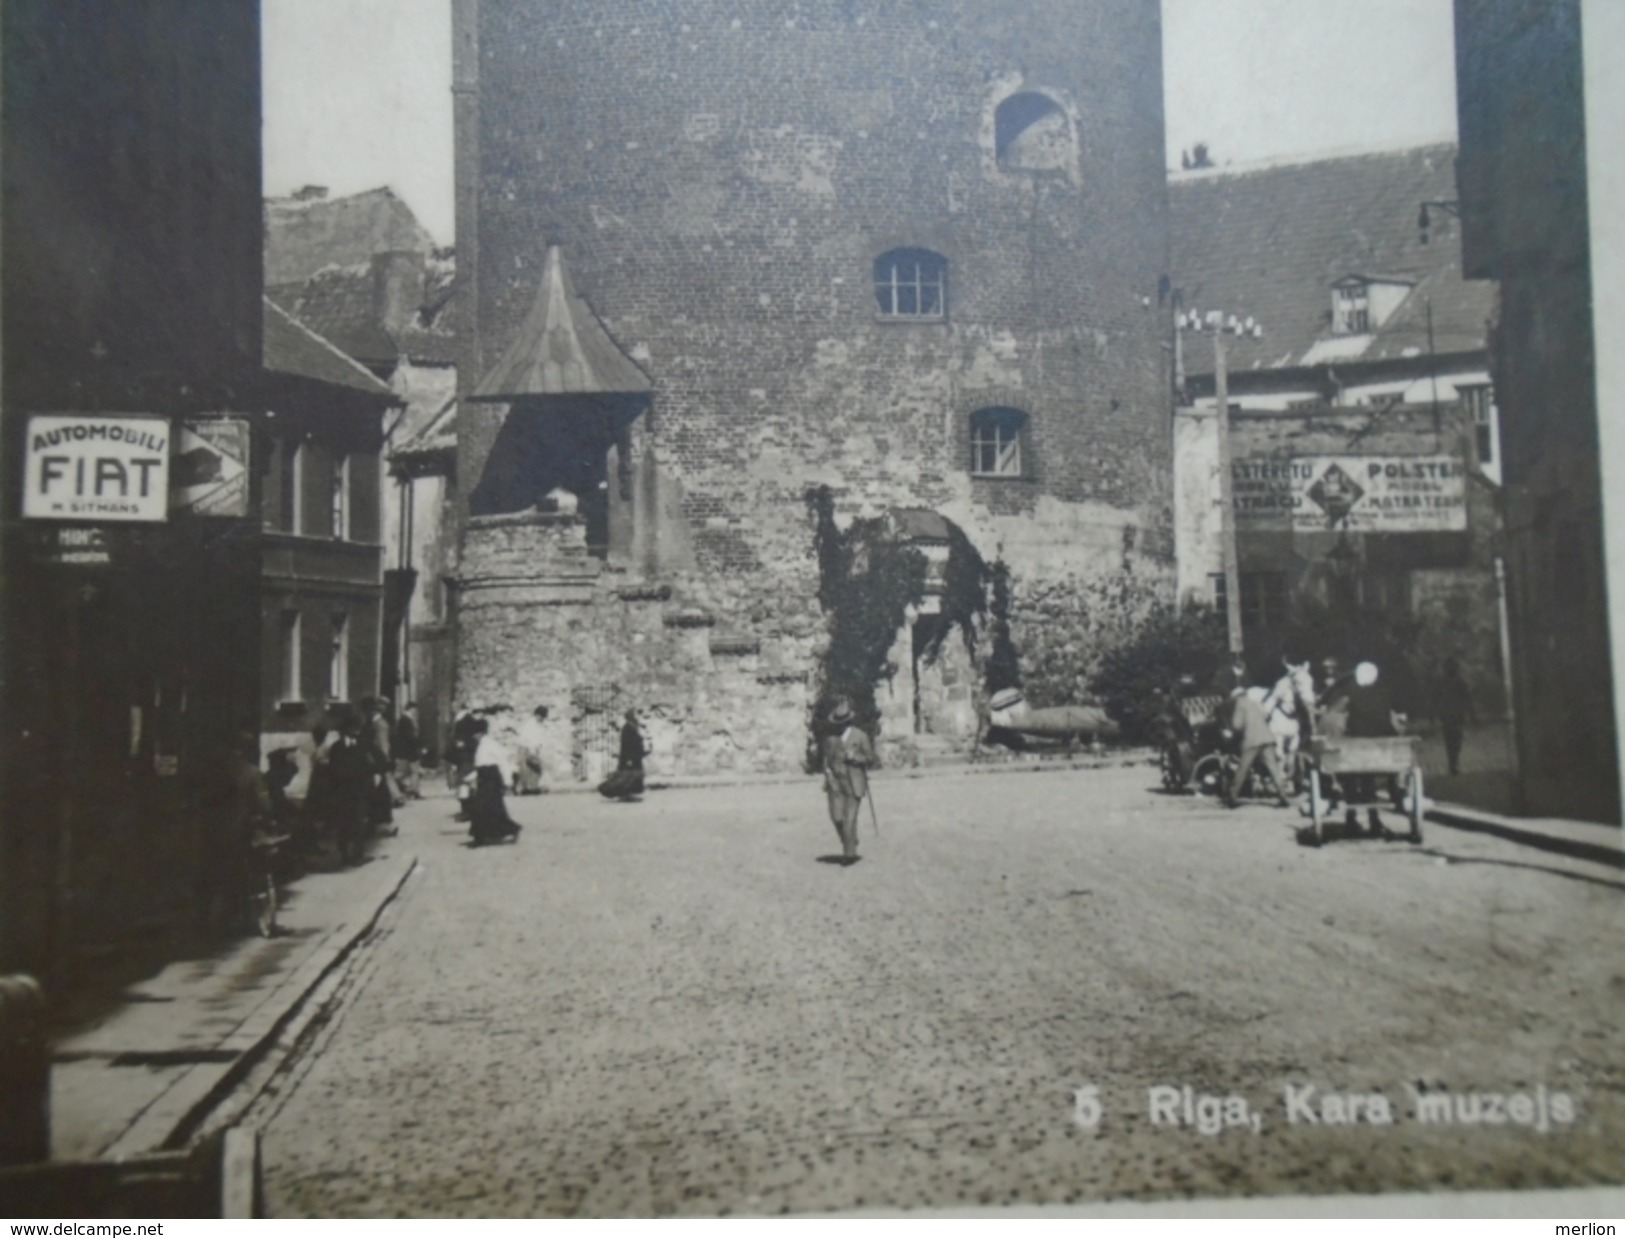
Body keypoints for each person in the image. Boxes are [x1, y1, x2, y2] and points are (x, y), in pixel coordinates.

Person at [821, 700, 877, 863]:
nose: (840, 726)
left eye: (843, 723)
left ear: (849, 722)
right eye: (838, 723)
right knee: (837, 818)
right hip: (836, 784)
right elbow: (826, 761)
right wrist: (829, 774)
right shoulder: (831, 739)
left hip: (854, 782)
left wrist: (857, 757)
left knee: (849, 820)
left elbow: (871, 758)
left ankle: (849, 854)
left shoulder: (860, 736)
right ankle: (850, 839)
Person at [1220, 687, 1291, 809]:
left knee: (1243, 768)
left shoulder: (1240, 704)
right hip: (1267, 738)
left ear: (1235, 697)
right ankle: (1283, 796)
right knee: (1273, 768)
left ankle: (1232, 797)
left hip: (1251, 740)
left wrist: (1230, 731)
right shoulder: (1255, 703)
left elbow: (1237, 725)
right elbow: (1265, 716)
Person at [468, 718, 521, 845]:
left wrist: (507, 780)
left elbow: (503, 761)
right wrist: (473, 776)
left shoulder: (490, 744)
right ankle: (484, 835)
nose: (474, 737)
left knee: (487, 806)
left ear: (480, 733)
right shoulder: (481, 745)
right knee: (487, 807)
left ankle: (509, 830)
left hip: (491, 778)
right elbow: (480, 764)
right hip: (484, 777)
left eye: (475, 734)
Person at [1436, 658, 1475, 776]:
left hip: (1448, 715)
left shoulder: (1442, 682)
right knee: (1456, 739)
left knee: (1450, 739)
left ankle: (1452, 762)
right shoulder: (1460, 682)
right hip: (1456, 715)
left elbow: (1436, 699)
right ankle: (1454, 762)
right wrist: (1472, 714)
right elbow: (1467, 699)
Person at [599, 709, 647, 801]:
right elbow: (627, 744)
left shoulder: (633, 726)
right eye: (636, 715)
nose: (638, 717)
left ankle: (629, 794)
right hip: (630, 757)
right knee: (628, 777)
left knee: (632, 776)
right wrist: (629, 758)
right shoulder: (628, 728)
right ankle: (625, 795)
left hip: (634, 757)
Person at [514, 705, 548, 795]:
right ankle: (525, 788)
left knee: (533, 769)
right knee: (525, 768)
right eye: (542, 716)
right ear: (538, 715)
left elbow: (539, 738)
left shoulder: (538, 724)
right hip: (525, 747)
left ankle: (532, 787)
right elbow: (529, 738)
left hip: (533, 748)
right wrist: (532, 749)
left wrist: (537, 748)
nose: (543, 719)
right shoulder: (530, 724)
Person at [393, 701, 423, 799]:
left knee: (413, 771)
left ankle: (414, 790)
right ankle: (412, 790)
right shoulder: (405, 719)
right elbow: (409, 736)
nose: (416, 711)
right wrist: (418, 745)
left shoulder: (408, 719)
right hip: (409, 748)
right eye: (414, 709)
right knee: (409, 771)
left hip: (409, 748)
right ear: (411, 709)